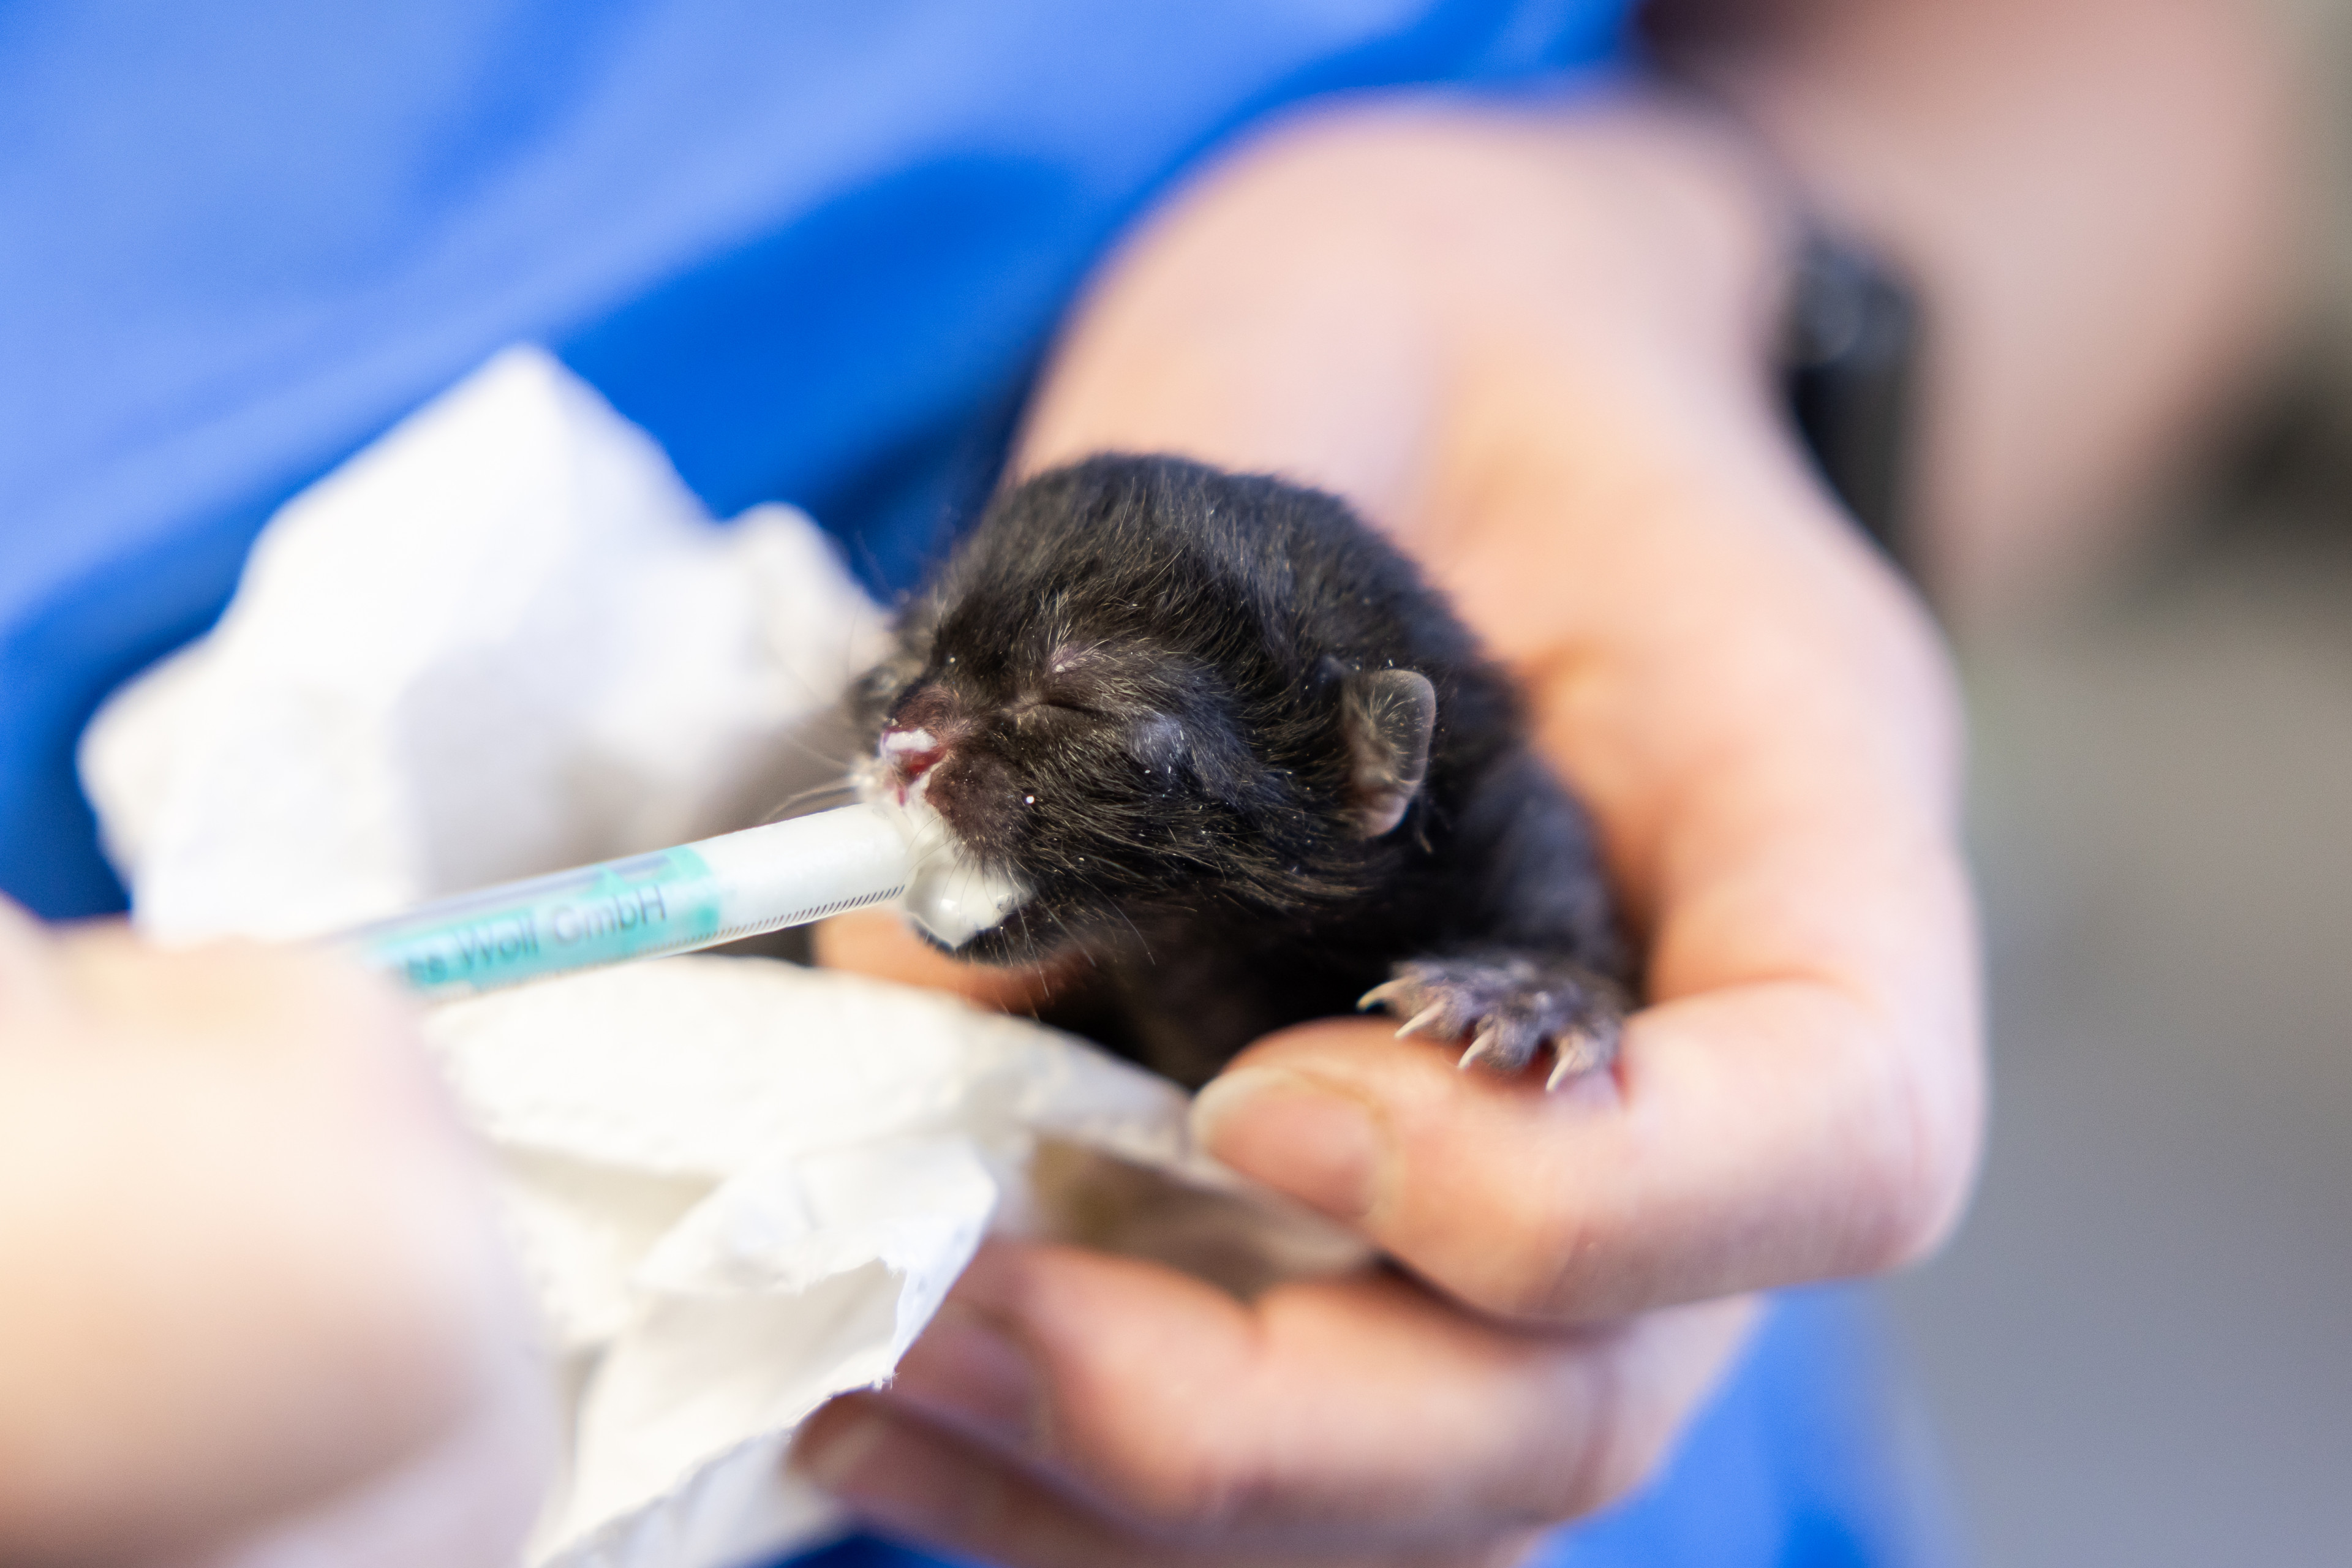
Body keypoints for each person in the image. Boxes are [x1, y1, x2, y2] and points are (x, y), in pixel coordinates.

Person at [0, 1, 2290, 1563]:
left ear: (1361, 762)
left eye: (1063, 713)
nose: (902, 753)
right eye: (931, 668)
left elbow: (2102, 77)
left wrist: (1707, 278)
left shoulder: (1451, 810)